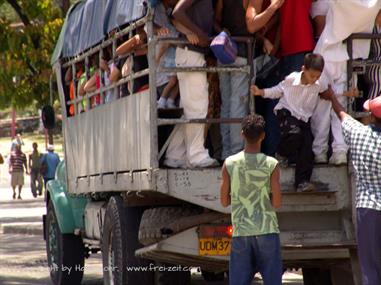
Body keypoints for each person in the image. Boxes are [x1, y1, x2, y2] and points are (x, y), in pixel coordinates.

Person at [320, 92, 381, 285]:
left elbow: (342, 115)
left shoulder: (359, 134)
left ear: (371, 117)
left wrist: (332, 98)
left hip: (368, 209)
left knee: (369, 266)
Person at [311, 0, 381, 165]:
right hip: (349, 55)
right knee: (341, 105)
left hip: (327, 54)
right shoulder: (372, 3)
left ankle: (320, 152)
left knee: (322, 105)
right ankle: (340, 151)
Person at [220, 114, 282, 285]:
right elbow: (277, 203)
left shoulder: (229, 163)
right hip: (267, 230)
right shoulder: (272, 164)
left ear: (242, 134)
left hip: (241, 231)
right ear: (263, 136)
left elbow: (224, 202)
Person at [251, 53, 327, 192]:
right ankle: (281, 153)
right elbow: (277, 90)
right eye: (312, 76)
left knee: (307, 147)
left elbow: (328, 92)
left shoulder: (319, 84)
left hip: (303, 117)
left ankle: (302, 182)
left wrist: (346, 94)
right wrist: (261, 92)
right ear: (303, 69)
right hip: (286, 111)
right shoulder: (292, 79)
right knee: (294, 133)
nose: (314, 79)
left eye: (317, 76)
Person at [162, 0, 219, 168]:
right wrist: (200, 34)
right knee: (198, 107)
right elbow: (177, 13)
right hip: (191, 53)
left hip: (187, 54)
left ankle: (175, 155)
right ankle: (196, 156)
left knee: (189, 108)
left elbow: (174, 16)